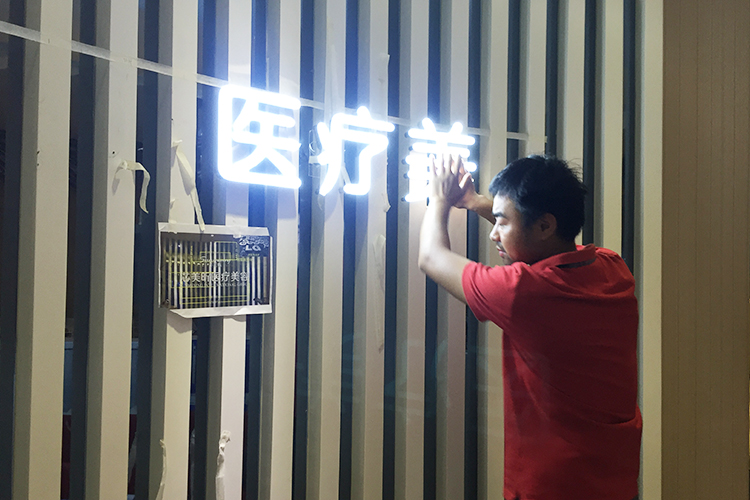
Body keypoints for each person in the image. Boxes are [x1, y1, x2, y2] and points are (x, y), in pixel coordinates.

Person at [418, 154, 642, 500]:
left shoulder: (524, 293)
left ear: (545, 226)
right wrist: (477, 203)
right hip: (614, 481)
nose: (493, 233)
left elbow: (431, 257)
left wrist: (439, 200)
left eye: (502, 222)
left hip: (551, 487)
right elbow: (544, 235)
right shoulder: (612, 268)